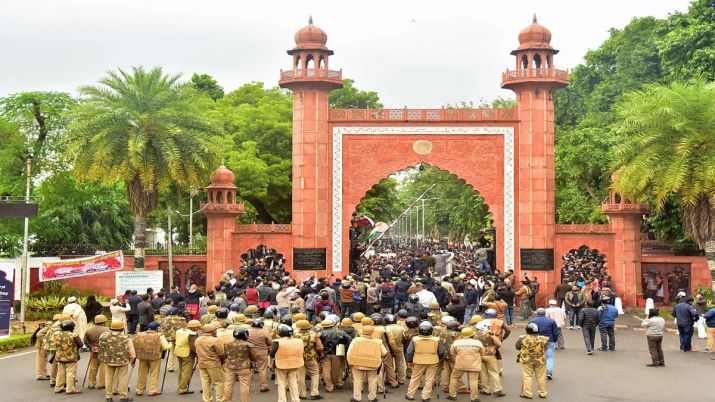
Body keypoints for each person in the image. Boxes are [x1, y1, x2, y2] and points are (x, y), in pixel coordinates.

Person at [405, 321, 444, 401]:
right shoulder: (436, 339)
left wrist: (409, 361)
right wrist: (437, 358)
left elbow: (409, 352)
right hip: (432, 361)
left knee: (415, 377)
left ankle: (410, 395)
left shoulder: (415, 339)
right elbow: (441, 351)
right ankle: (425, 396)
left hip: (418, 361)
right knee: (429, 379)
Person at [347, 324, 387, 402]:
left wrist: (349, 363)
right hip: (373, 364)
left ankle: (357, 398)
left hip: (357, 363)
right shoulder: (378, 342)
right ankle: (372, 398)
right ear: (372, 332)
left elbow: (349, 352)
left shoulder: (356, 340)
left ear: (362, 331)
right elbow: (384, 353)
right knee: (372, 380)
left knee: (357, 380)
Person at [98, 320, 135, 402]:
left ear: (111, 328)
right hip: (122, 361)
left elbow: (101, 348)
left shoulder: (104, 336)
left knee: (108, 378)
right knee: (123, 379)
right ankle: (123, 397)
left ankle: (108, 397)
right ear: (122, 328)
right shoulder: (126, 337)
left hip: (108, 360)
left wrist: (102, 358)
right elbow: (131, 350)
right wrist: (132, 360)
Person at [133, 321, 172, 396]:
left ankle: (139, 390)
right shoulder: (159, 336)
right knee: (154, 373)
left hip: (143, 356)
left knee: (142, 373)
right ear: (157, 328)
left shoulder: (140, 334)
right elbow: (165, 347)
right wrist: (170, 344)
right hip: (155, 357)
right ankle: (152, 390)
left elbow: (134, 344)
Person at [218, 327, 256, 402]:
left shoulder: (227, 344)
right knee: (244, 386)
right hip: (244, 368)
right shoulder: (248, 345)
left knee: (228, 385)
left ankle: (227, 400)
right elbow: (254, 357)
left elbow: (225, 355)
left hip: (230, 367)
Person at [447, 326, 484, 401]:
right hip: (474, 365)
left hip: (460, 364)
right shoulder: (478, 343)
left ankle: (452, 395)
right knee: (473, 380)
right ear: (472, 334)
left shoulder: (456, 342)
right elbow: (482, 353)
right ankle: (474, 398)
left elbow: (452, 353)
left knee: (454, 377)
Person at [271, 323, 304, 402]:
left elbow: (272, 354)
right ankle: (296, 399)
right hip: (295, 364)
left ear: (280, 333)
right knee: (293, 382)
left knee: (281, 383)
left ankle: (282, 400)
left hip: (281, 365)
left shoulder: (277, 342)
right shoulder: (299, 341)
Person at [318, 318, 352, 393]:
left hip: (325, 354)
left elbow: (316, 344)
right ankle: (337, 383)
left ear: (323, 326)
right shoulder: (340, 332)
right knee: (337, 369)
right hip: (338, 353)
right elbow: (350, 339)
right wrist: (343, 345)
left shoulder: (320, 333)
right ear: (333, 325)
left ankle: (329, 386)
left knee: (326, 370)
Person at [515, 323, 548, 399]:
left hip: (527, 360)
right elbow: (545, 347)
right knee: (541, 377)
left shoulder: (523, 338)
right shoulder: (543, 339)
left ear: (527, 330)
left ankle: (527, 393)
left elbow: (517, 347)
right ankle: (542, 393)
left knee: (527, 376)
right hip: (540, 360)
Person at [53, 319, 84, 394]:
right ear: (71, 327)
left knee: (60, 373)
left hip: (59, 357)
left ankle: (58, 388)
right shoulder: (73, 335)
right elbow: (81, 344)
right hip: (71, 357)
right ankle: (70, 389)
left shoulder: (56, 334)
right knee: (70, 373)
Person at [195, 323, 225, 402]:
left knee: (205, 383)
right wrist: (223, 361)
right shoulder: (215, 340)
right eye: (215, 330)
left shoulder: (197, 340)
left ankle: (207, 399)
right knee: (218, 382)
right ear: (211, 331)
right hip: (213, 364)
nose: (216, 331)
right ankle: (220, 399)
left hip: (202, 364)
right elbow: (221, 353)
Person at [295, 320, 324, 400]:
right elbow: (320, 347)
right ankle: (314, 393)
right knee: (314, 374)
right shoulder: (314, 335)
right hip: (311, 357)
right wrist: (319, 353)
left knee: (300, 375)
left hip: (299, 358)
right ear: (309, 326)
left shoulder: (295, 335)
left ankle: (302, 394)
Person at [528, 308, 558, 380]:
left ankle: (537, 372)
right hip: (549, 340)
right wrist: (554, 340)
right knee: (549, 357)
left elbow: (529, 331)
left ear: (537, 313)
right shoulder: (551, 321)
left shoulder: (532, 321)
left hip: (536, 341)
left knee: (536, 357)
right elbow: (555, 333)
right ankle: (549, 372)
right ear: (545, 313)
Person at [174, 319, 202, 395]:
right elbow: (193, 347)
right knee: (186, 372)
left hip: (178, 351)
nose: (197, 329)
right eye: (196, 327)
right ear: (193, 327)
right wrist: (197, 355)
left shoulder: (179, 331)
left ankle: (180, 386)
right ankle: (182, 389)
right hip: (187, 354)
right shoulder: (192, 334)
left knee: (181, 370)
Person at [84, 314, 110, 389]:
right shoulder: (107, 330)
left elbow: (85, 341)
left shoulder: (89, 330)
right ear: (104, 321)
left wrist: (91, 347)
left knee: (93, 367)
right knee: (103, 367)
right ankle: (102, 384)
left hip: (93, 351)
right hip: (104, 351)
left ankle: (91, 383)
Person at [247, 318, 273, 392]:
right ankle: (263, 386)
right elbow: (270, 343)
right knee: (262, 369)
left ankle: (247, 386)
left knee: (250, 369)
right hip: (262, 352)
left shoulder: (248, 331)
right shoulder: (264, 331)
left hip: (251, 352)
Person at [162, 307, 187, 373]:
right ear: (177, 313)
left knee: (170, 352)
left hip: (169, 338)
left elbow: (163, 329)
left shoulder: (164, 319)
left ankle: (170, 366)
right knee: (182, 351)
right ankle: (183, 365)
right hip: (180, 338)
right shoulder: (182, 319)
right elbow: (185, 329)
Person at [33, 315, 56, 381]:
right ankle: (40, 375)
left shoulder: (51, 326)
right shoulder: (49, 326)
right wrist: (45, 340)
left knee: (44, 360)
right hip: (41, 345)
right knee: (41, 361)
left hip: (44, 345)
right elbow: (39, 334)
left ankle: (43, 374)